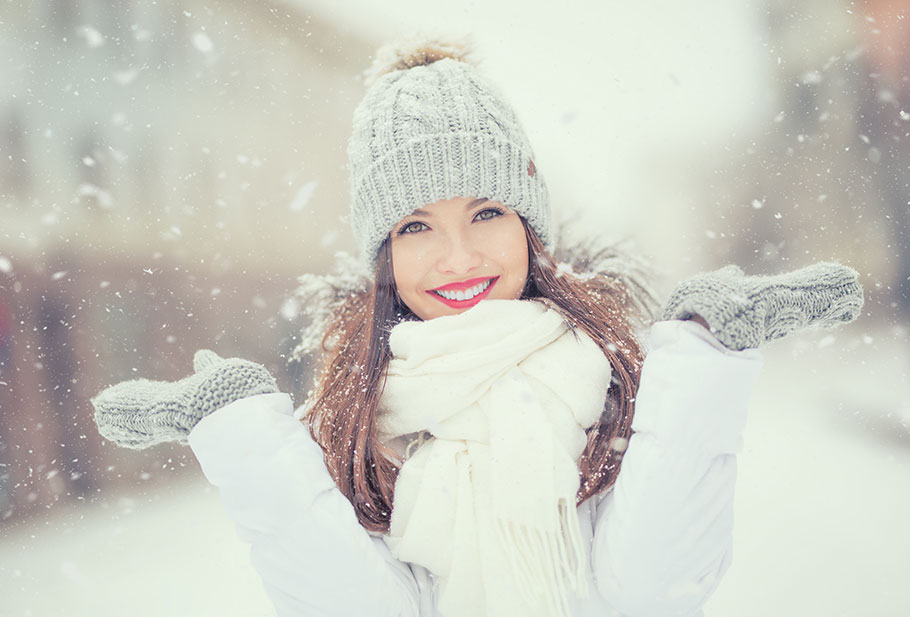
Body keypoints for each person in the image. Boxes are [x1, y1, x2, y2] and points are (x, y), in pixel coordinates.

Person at [92, 38, 865, 617]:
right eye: (416, 226)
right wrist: (241, 432)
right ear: (384, 254)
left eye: (487, 212)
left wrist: (702, 350)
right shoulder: (361, 425)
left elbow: (655, 590)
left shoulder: (609, 382)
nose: (457, 255)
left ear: (531, 225)